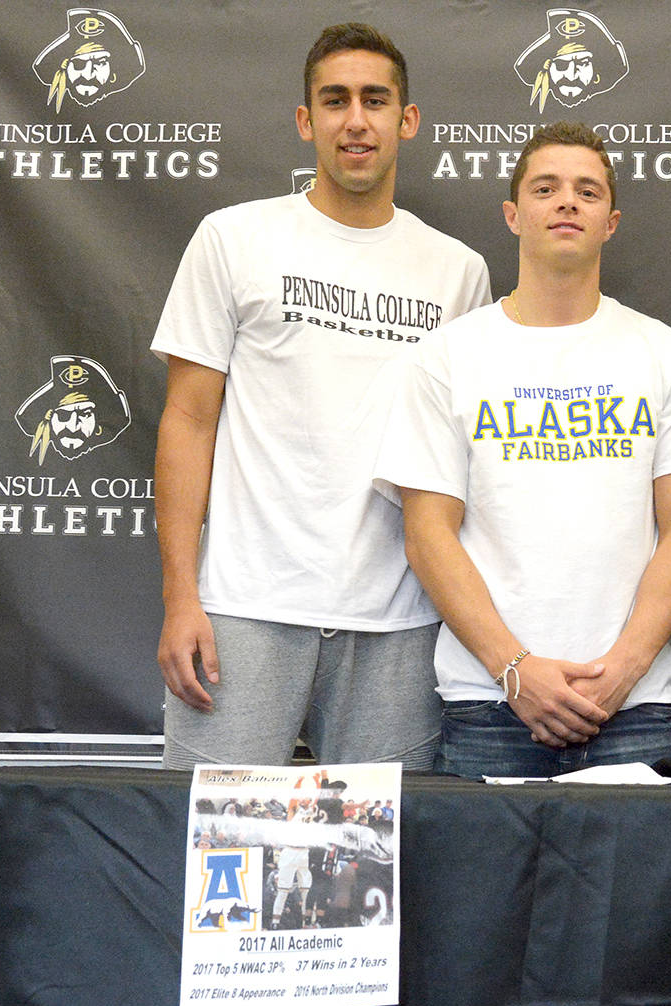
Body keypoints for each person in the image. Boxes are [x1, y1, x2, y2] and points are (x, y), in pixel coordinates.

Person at [151, 23, 491, 770]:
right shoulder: (232, 238)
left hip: (399, 621)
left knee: (373, 873)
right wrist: (182, 597)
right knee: (216, 862)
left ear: (407, 121)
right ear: (307, 121)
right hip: (243, 609)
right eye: (334, 101)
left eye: (375, 100)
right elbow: (188, 418)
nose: (356, 119)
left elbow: (463, 458)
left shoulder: (458, 272)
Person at [374, 121, 671, 778]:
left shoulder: (666, 353)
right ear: (512, 213)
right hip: (489, 702)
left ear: (610, 222)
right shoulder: (448, 356)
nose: (566, 202)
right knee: (486, 887)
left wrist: (623, 672)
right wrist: (515, 670)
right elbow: (427, 535)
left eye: (586, 191)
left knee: (634, 888)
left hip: (631, 707)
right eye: (546, 188)